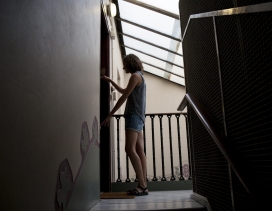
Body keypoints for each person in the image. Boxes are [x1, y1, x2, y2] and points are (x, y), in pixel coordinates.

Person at [100, 54, 147, 196]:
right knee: (139, 151)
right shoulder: (140, 76)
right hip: (139, 117)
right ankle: (144, 184)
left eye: (125, 64)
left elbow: (123, 97)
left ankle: (142, 185)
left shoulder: (135, 77)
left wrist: (109, 115)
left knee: (129, 149)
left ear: (130, 64)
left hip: (133, 116)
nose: (123, 66)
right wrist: (110, 81)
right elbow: (124, 91)